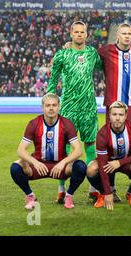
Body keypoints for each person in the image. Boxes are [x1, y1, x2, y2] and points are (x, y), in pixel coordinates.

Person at [46, 20, 102, 204]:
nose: (79, 34)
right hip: (68, 107)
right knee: (66, 147)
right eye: (76, 32)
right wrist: (50, 99)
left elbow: (106, 66)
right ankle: (62, 189)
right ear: (71, 33)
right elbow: (53, 80)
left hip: (88, 107)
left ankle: (93, 189)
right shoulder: (62, 54)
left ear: (87, 34)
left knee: (90, 145)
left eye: (82, 32)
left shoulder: (92, 53)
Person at [97, 22, 131, 201]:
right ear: (118, 35)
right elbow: (87, 55)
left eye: (130, 33)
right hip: (113, 107)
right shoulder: (105, 51)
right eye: (124, 33)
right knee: (112, 146)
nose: (127, 36)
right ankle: (111, 188)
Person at [10, 93, 87, 210]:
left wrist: (62, 163)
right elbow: (20, 150)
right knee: (15, 167)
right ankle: (30, 196)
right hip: (38, 165)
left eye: (54, 105)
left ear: (59, 107)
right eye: (48, 105)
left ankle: (69, 195)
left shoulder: (67, 124)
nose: (51, 108)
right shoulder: (34, 123)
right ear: (42, 107)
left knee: (81, 166)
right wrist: (35, 162)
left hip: (60, 166)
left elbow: (78, 150)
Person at [86, 101, 131, 210]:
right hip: (107, 163)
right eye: (114, 114)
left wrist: (119, 162)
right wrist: (108, 192)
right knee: (91, 169)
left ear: (126, 116)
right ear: (109, 116)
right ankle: (103, 193)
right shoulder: (102, 133)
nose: (117, 118)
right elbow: (102, 162)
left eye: (121, 115)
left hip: (126, 162)